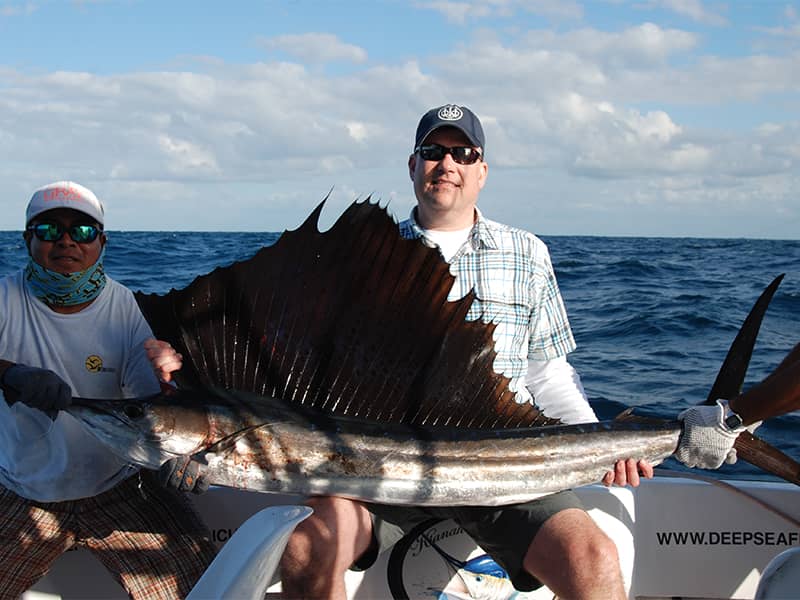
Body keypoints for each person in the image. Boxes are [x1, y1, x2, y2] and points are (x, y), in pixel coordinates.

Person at [278, 104, 752, 599]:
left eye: (463, 153)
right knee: (306, 548)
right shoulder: (365, 257)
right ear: (412, 165)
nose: (448, 164)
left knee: (594, 557)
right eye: (433, 152)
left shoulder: (527, 253)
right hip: (382, 470)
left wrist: (604, 446)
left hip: (504, 465)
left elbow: (547, 372)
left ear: (482, 170)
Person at [0, 181, 216, 598]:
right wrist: (8, 373)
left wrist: (182, 445)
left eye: (81, 231)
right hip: (20, 489)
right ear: (27, 240)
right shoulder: (4, 298)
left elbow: (147, 406)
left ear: (102, 242)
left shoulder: (121, 305)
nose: (66, 241)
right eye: (48, 231)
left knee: (206, 590)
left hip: (121, 489)